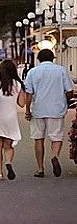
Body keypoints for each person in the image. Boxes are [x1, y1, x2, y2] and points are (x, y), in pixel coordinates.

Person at [24, 49, 73, 178]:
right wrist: (66, 100)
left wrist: (27, 110)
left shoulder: (32, 72)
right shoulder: (61, 70)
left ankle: (40, 168)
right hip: (56, 109)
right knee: (56, 137)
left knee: (38, 138)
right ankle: (55, 156)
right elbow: (69, 90)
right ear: (53, 58)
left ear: (38, 59)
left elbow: (28, 94)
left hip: (39, 109)